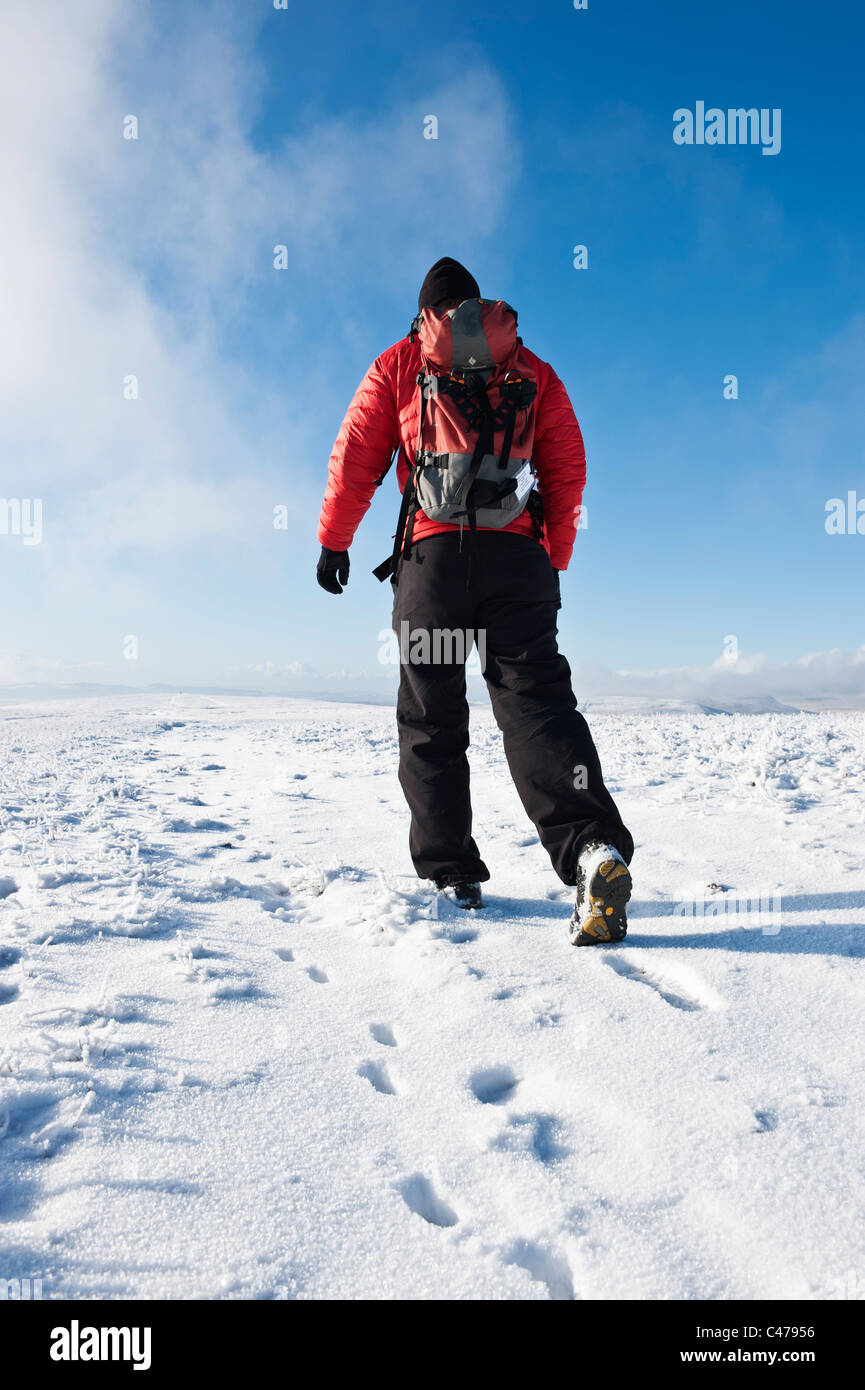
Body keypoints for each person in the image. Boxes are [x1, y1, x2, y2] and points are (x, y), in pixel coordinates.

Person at [316, 257, 634, 945]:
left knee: (431, 716)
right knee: (537, 706)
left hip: (431, 564)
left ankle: (450, 874)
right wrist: (552, 557)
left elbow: (356, 457)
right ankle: (589, 850)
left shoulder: (401, 363)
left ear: (426, 313)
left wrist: (333, 541)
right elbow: (566, 467)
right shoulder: (531, 369)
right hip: (516, 562)